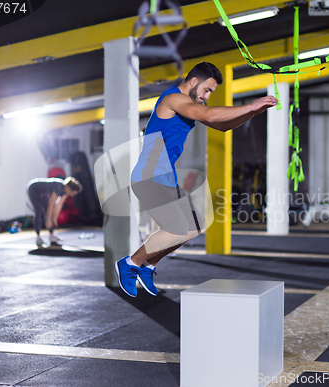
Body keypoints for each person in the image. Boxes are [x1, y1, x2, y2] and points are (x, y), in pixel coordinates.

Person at [115, 61, 278, 298]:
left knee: (193, 227)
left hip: (165, 177)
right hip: (149, 176)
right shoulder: (173, 99)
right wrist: (249, 104)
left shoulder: (190, 103)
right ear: (193, 81)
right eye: (207, 89)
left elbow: (220, 126)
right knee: (176, 229)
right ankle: (130, 263)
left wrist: (252, 112)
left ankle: (148, 265)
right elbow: (210, 114)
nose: (207, 96)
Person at [27, 176, 83, 246]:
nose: (72, 195)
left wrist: (54, 219)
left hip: (42, 192)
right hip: (33, 188)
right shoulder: (58, 187)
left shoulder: (65, 191)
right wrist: (48, 221)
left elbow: (58, 205)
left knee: (47, 209)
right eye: (73, 193)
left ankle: (52, 235)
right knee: (39, 210)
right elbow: (51, 204)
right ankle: (38, 238)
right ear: (69, 188)